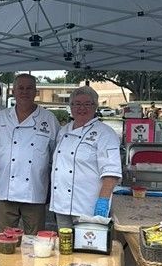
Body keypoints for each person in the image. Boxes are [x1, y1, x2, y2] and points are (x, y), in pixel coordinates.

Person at [0, 74, 59, 235]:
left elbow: (57, 158)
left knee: (36, 242)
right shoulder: (0, 118)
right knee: (4, 239)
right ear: (13, 91)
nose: (25, 92)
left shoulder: (49, 119)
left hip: (35, 192)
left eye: (29, 88)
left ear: (36, 92)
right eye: (21, 88)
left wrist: (52, 189)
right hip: (4, 192)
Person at [50, 86, 122, 228]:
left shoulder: (105, 133)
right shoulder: (63, 131)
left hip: (87, 207)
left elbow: (111, 172)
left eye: (87, 104)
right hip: (61, 205)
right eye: (77, 104)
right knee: (65, 247)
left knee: (87, 248)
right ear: (70, 107)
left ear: (95, 106)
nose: (81, 108)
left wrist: (103, 201)